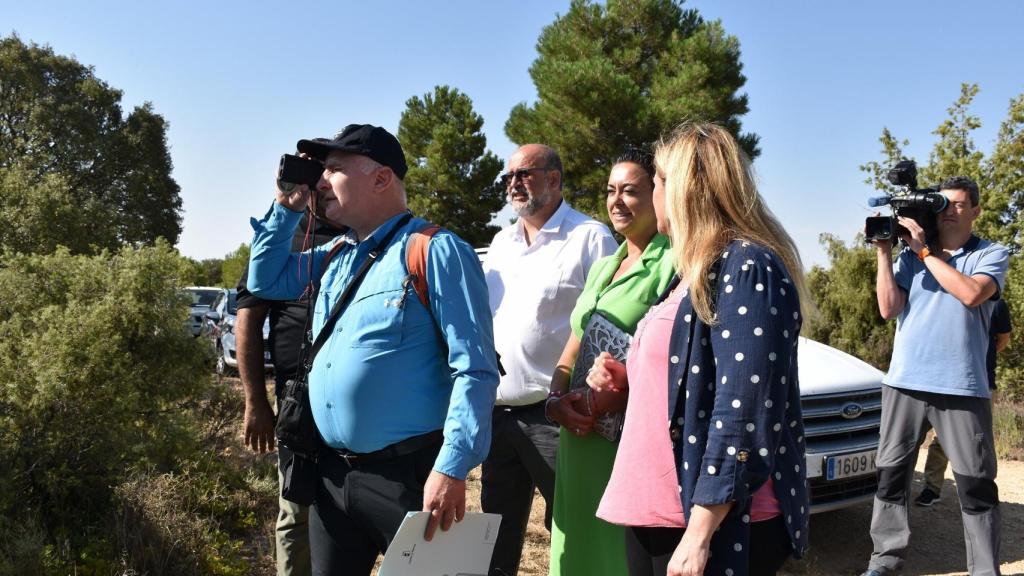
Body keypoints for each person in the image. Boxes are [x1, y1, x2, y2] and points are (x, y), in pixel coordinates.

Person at [247, 124, 500, 576]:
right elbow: (265, 280)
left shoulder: (435, 250)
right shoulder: (338, 253)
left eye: (333, 169)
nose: (321, 182)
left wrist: (452, 468)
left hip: (408, 476)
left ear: (381, 178)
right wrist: (287, 206)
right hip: (331, 475)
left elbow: (475, 370)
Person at [589, 123, 811, 576]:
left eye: (657, 181)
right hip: (657, 510)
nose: (654, 193)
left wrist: (700, 532)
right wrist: (628, 381)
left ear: (681, 189)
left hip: (708, 522)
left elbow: (744, 408)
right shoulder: (689, 272)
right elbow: (690, 382)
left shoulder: (746, 266)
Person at [860, 175, 1009, 576]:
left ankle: (985, 570)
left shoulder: (990, 253)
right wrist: (885, 253)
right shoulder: (911, 256)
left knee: (976, 483)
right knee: (891, 477)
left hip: (962, 386)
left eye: (958, 204)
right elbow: (888, 309)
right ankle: (884, 562)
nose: (949, 211)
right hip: (904, 383)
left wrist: (924, 251)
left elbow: (971, 294)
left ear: (976, 211)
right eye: (943, 204)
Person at [481, 143, 617, 575]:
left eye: (523, 174)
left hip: (557, 417)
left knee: (574, 532)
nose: (513, 184)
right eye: (508, 177)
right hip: (499, 415)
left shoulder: (590, 237)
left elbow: (610, 324)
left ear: (554, 179)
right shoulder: (501, 243)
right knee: (493, 539)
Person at [544, 149, 675, 575]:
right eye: (610, 190)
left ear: (658, 195)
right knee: (576, 549)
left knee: (615, 555)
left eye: (630, 191)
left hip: (624, 442)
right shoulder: (604, 265)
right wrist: (555, 400)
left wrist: (620, 394)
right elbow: (574, 342)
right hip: (578, 436)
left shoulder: (674, 262)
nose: (617, 201)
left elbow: (673, 357)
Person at [235, 185, 346, 576]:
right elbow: (248, 319)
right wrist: (255, 401)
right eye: (315, 182)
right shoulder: (283, 238)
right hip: (299, 402)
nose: (325, 190)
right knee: (297, 507)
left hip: (358, 406)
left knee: (352, 508)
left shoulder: (365, 233)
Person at [916, 298, 1012, 507]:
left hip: (983, 384)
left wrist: (977, 356)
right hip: (949, 383)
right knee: (941, 439)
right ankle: (931, 488)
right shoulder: (948, 300)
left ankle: (978, 492)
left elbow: (1002, 341)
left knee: (978, 441)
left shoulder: (997, 304)